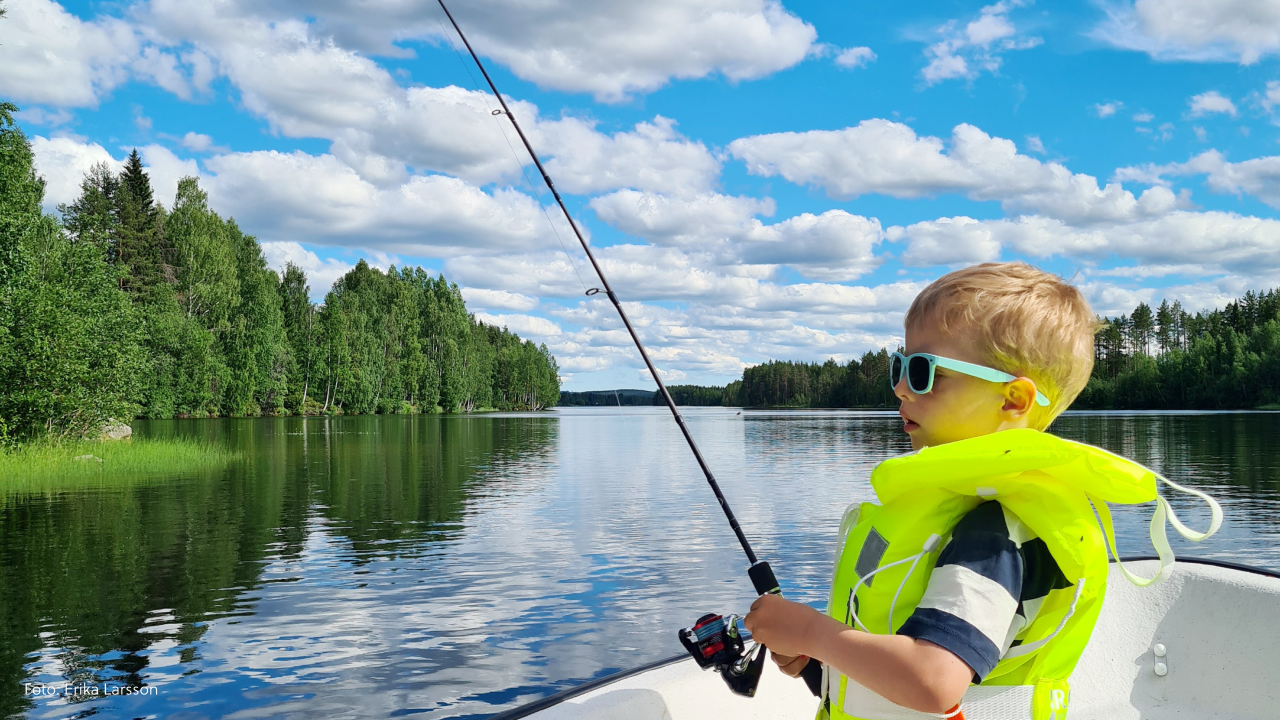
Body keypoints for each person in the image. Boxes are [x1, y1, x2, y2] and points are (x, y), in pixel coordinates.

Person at [743, 262, 1220, 720]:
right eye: (899, 366)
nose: (901, 388)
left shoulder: (996, 532)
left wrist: (812, 631)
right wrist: (818, 659)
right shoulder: (962, 511)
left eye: (925, 371)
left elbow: (933, 680)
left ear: (1013, 399)